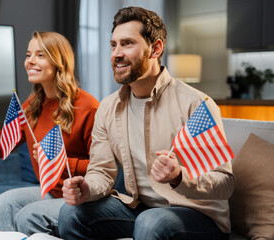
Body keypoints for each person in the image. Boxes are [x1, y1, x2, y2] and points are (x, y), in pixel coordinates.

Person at [58, 6, 235, 240]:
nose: (116, 54)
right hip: (140, 209)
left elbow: (225, 183)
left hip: (199, 214)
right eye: (113, 45)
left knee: (151, 223)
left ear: (156, 48)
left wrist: (179, 176)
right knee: (71, 213)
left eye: (128, 43)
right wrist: (86, 189)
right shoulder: (108, 107)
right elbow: (101, 171)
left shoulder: (197, 105)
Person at [0, 31, 99, 237]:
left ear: (59, 61)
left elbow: (104, 168)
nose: (30, 61)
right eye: (28, 54)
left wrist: (58, 160)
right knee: (3, 202)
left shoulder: (88, 107)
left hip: (82, 198)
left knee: (26, 215)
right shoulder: (31, 106)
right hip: (50, 192)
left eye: (40, 55)